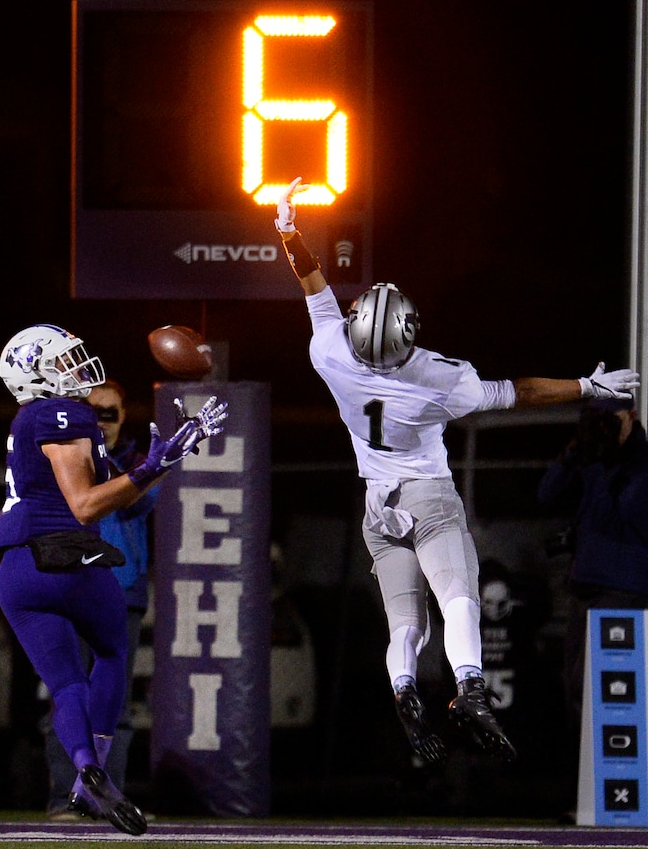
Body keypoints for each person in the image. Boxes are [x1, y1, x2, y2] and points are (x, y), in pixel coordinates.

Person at [273, 176, 639, 767]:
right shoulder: (435, 380)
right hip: (428, 496)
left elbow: (313, 286)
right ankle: (470, 688)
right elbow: (515, 392)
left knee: (405, 626)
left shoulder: (330, 353)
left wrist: (288, 227)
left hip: (376, 505)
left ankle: (404, 690)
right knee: (459, 598)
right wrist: (585, 386)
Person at [0, 324, 227, 834]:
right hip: (72, 561)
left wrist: (165, 458)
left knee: (66, 685)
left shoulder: (28, 418)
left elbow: (124, 492)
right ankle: (86, 779)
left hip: (17, 570)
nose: (75, 368)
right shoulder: (64, 414)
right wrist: (154, 465)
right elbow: (84, 506)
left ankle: (85, 772)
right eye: (62, 361)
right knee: (112, 656)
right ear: (37, 374)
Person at [43, 379, 160, 819]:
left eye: (110, 413)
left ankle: (108, 798)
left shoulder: (132, 460)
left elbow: (137, 502)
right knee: (67, 695)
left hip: (120, 591)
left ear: (123, 417)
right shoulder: (65, 453)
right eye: (94, 413)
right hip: (71, 587)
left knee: (117, 704)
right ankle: (64, 797)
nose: (102, 421)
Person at [537, 395, 648, 804]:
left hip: (623, 592)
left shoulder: (640, 463)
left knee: (611, 696)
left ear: (631, 418)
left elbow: (619, 517)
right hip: (585, 589)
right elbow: (547, 495)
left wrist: (598, 466)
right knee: (577, 694)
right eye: (593, 420)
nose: (601, 428)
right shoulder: (589, 457)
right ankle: (585, 792)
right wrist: (573, 453)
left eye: (608, 420)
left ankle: (613, 795)